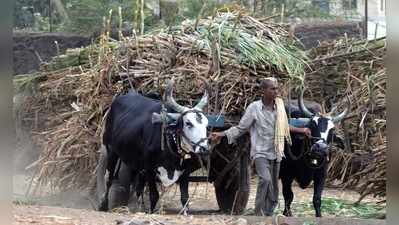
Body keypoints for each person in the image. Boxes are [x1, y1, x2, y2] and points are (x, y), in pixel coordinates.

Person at [210, 77, 311, 216]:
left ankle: (268, 213)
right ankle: (258, 212)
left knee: (274, 187)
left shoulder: (280, 107)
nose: (276, 91)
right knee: (265, 179)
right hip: (260, 152)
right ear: (263, 91)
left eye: (277, 88)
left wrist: (302, 130)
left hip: (277, 151)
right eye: (272, 88)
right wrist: (222, 134)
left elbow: (284, 126)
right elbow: (241, 128)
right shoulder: (254, 108)